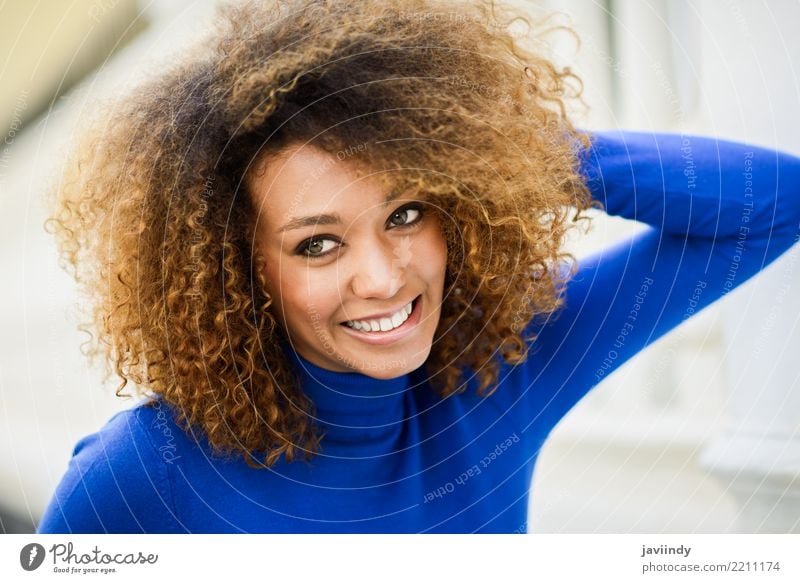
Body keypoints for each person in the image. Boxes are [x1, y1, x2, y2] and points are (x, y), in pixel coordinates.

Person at [37, 0, 800, 533]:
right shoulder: (147, 472)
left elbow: (774, 202)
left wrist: (525, 156)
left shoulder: (500, 373)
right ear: (243, 271)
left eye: (405, 214)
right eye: (317, 243)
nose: (383, 277)